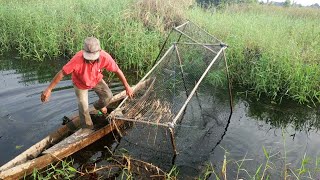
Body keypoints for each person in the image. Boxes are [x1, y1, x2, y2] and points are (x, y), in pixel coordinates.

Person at [41, 37, 133, 129]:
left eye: (93, 58)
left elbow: (117, 70)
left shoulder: (105, 57)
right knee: (84, 109)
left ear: (99, 51)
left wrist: (127, 86)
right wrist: (49, 89)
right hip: (80, 83)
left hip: (96, 79)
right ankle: (87, 128)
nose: (91, 60)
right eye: (88, 57)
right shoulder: (77, 59)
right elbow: (62, 73)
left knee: (108, 96)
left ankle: (98, 106)